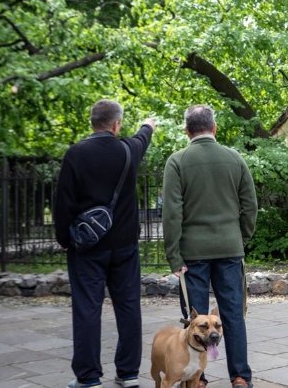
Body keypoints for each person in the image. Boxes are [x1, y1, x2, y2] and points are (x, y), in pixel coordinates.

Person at [53, 99, 156, 388]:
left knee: (87, 308)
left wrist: (64, 239)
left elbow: (63, 202)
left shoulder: (75, 154)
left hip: (87, 247)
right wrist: (148, 125)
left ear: (92, 122)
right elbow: (142, 138)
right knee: (128, 306)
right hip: (124, 245)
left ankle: (88, 377)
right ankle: (128, 373)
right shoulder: (127, 150)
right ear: (116, 124)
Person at [162, 104, 257, 388]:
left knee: (195, 319)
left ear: (186, 130)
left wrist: (173, 254)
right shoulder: (234, 158)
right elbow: (250, 205)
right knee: (232, 315)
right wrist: (241, 236)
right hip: (230, 247)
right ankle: (240, 375)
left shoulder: (177, 161)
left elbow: (171, 213)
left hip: (192, 253)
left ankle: (198, 378)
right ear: (214, 128)